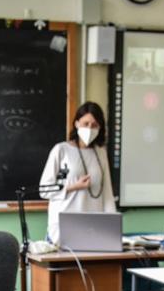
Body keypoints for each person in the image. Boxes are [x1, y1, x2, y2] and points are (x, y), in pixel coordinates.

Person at [38, 101, 116, 244]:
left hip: (93, 229)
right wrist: (74, 187)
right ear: (76, 123)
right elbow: (44, 190)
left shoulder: (101, 153)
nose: (90, 128)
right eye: (86, 124)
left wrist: (113, 229)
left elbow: (107, 194)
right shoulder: (61, 150)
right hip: (62, 228)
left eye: (94, 125)